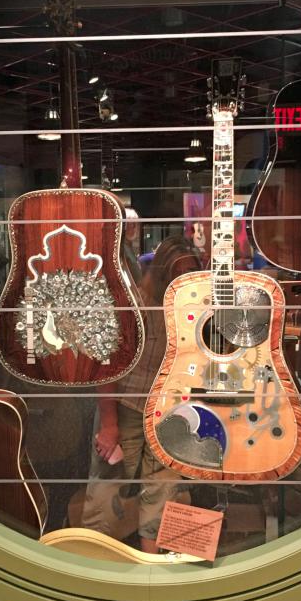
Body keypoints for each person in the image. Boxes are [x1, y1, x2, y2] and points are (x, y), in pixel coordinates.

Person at [81, 235, 202, 552]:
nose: (184, 279)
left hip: (171, 412)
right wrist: (109, 424)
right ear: (162, 271)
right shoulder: (134, 304)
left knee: (163, 492)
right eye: (178, 271)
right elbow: (105, 365)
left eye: (190, 272)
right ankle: (95, 568)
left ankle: (154, 571)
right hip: (126, 408)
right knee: (108, 491)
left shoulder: (192, 308)